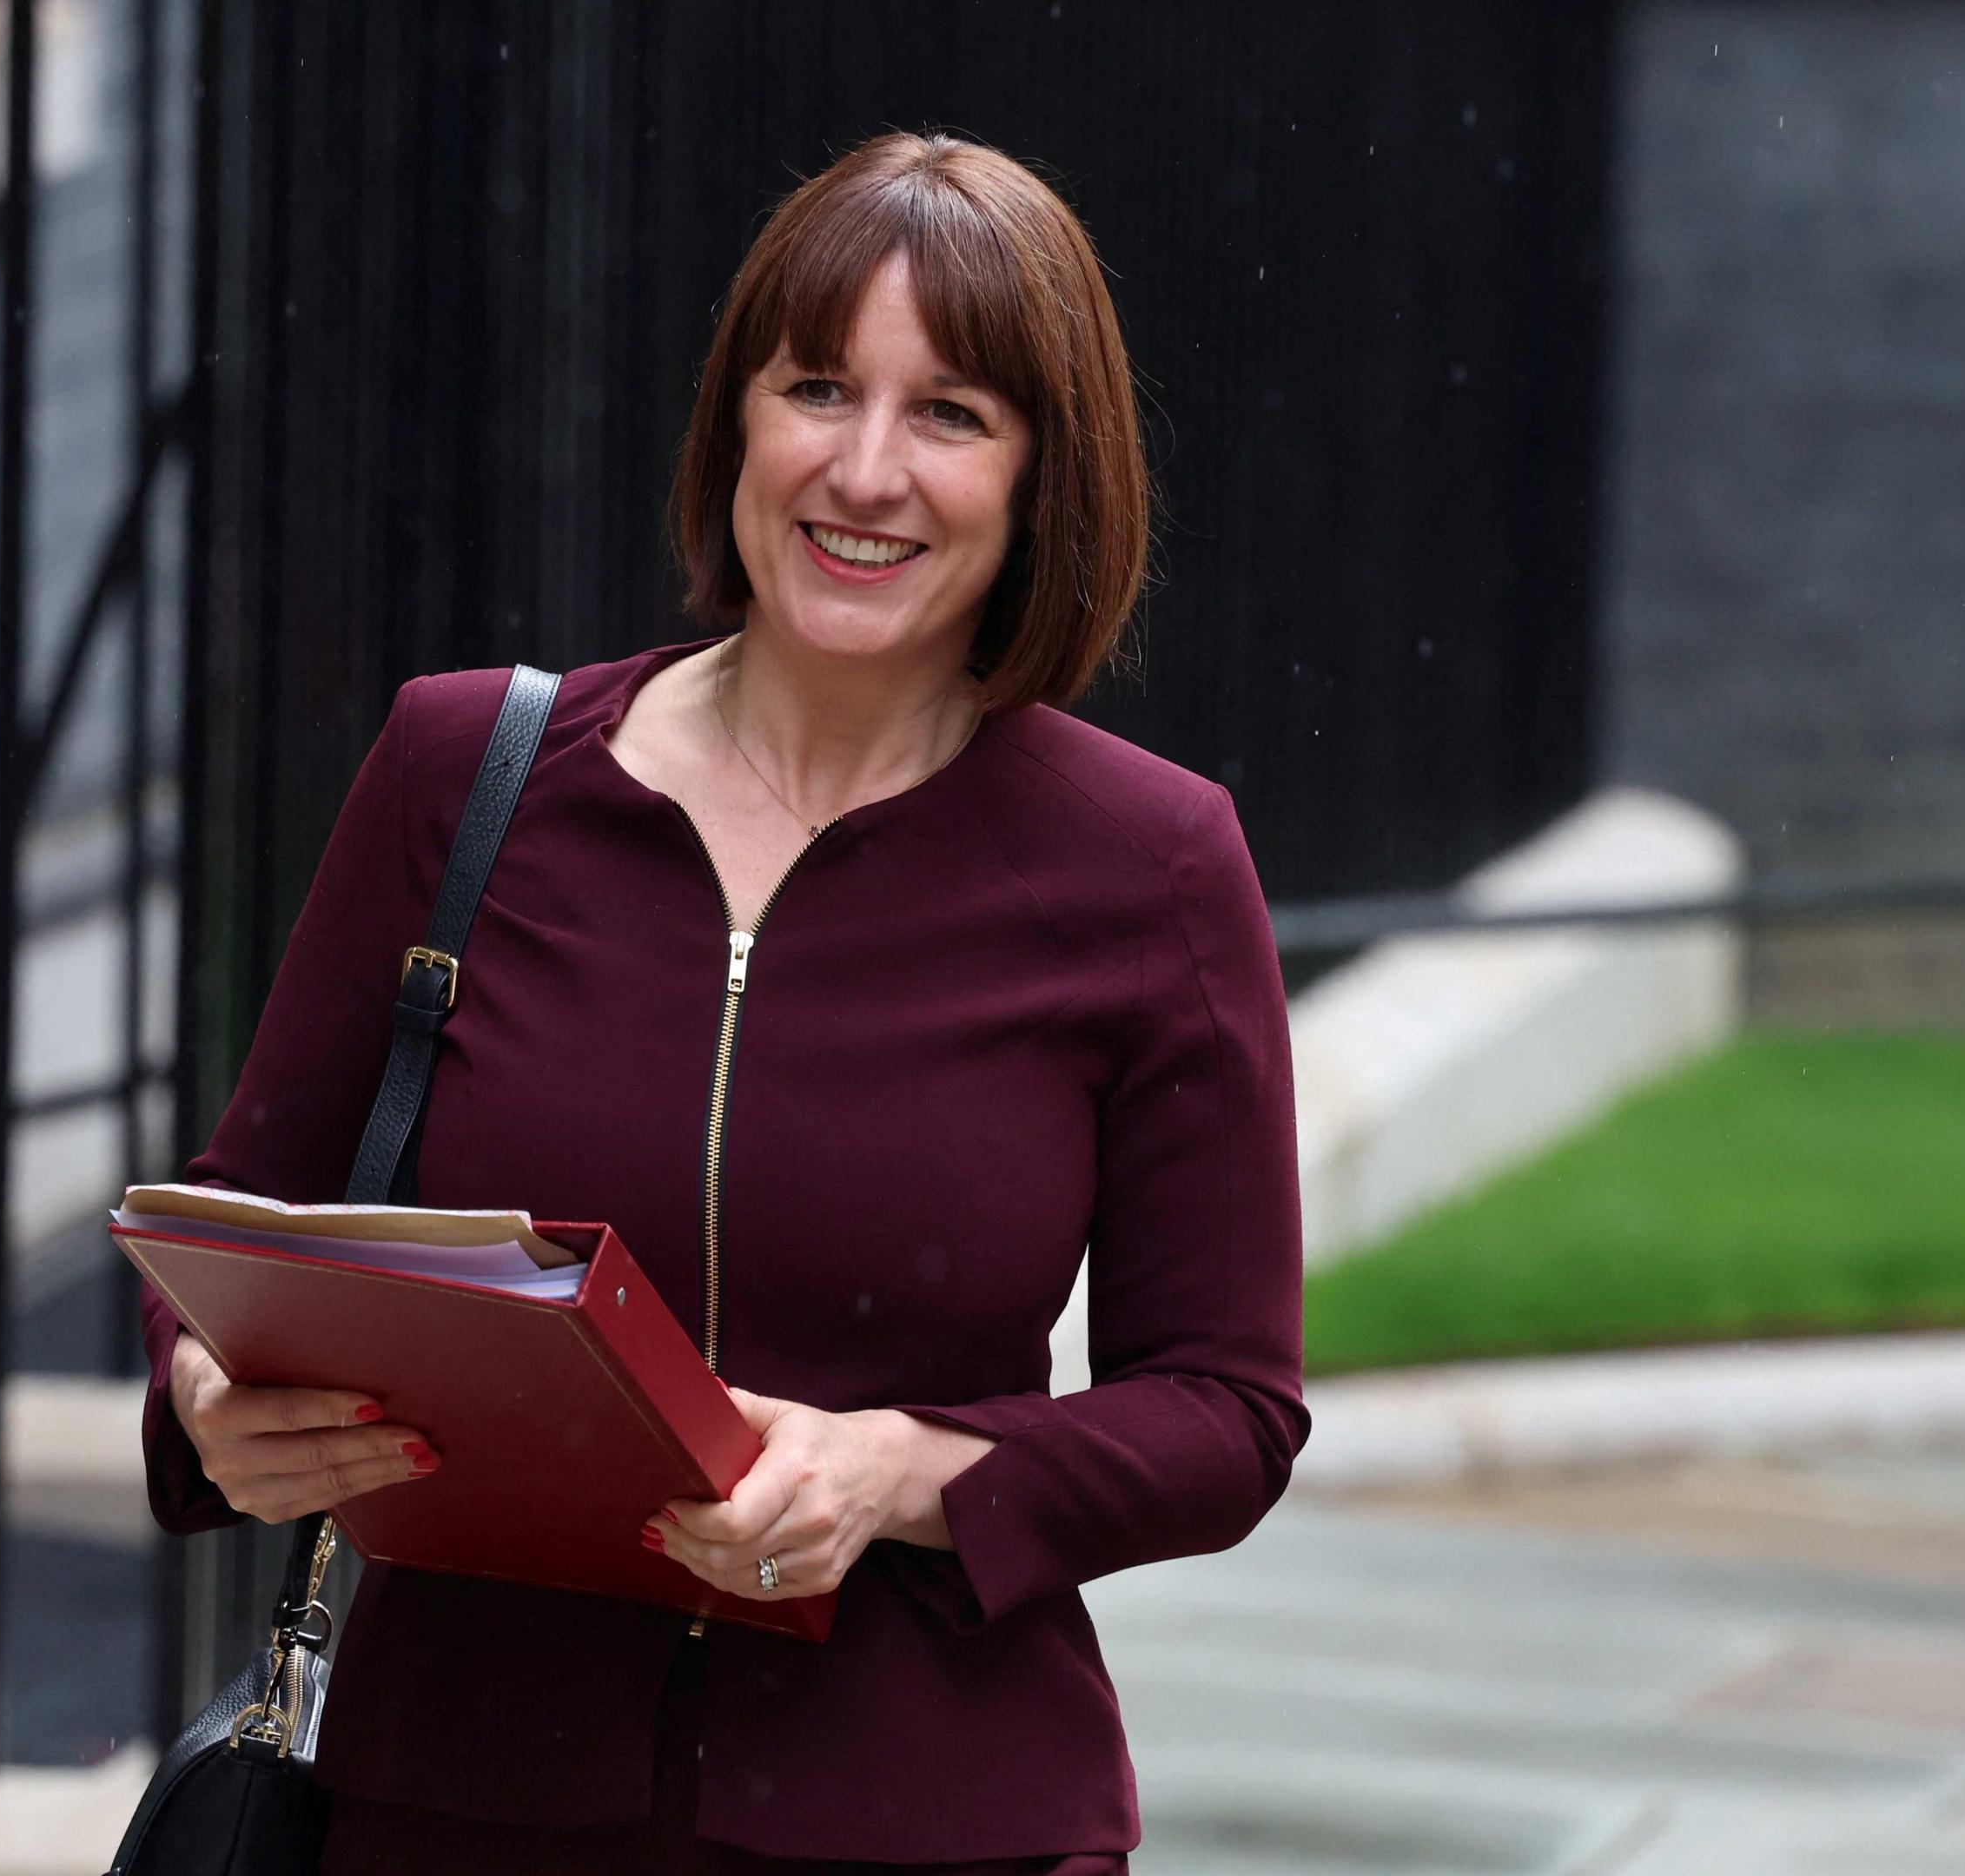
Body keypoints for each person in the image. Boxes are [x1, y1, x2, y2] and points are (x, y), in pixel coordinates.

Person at [137, 130, 1308, 1873]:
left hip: (926, 1817)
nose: (867, 469)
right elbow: (243, 1229)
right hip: (452, 1800)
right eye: (819, 387)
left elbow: (1226, 1409)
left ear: (1046, 477)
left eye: (954, 414)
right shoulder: (465, 775)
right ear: (734, 421)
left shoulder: (1148, 865)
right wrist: (215, 1410)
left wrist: (896, 1472)